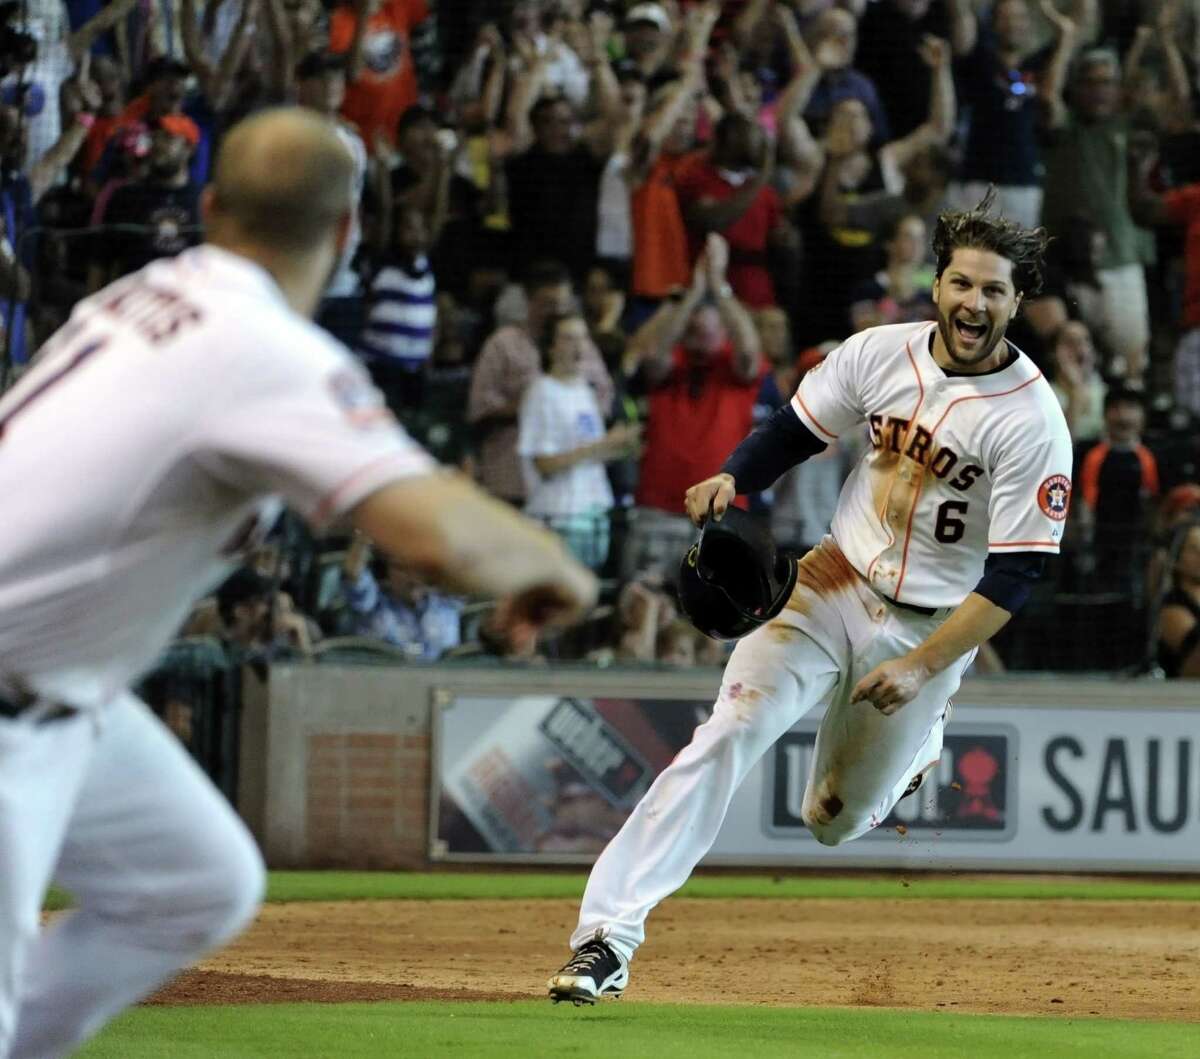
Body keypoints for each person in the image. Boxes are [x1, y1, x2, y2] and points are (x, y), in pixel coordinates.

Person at [0, 106, 597, 1057]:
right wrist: (557, 564)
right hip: (13, 703)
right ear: (348, 231)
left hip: (62, 693)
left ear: (209, 205)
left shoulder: (149, 293)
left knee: (193, 882)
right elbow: (431, 532)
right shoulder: (259, 347)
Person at [547, 192, 1072, 1004]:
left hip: (926, 629)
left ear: (1017, 301)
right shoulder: (879, 352)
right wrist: (734, 475)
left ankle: (917, 746)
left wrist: (924, 667)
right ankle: (605, 939)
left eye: (994, 290)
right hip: (831, 577)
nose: (974, 303)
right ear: (936, 284)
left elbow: (1015, 575)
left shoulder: (1032, 420)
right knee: (729, 731)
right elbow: (796, 427)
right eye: (962, 283)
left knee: (830, 819)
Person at [518, 311, 641, 570]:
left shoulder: (584, 389)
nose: (579, 346)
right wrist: (603, 445)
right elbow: (544, 464)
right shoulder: (542, 392)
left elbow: (588, 455)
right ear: (551, 347)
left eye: (583, 338)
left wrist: (623, 446)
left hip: (592, 514)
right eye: (569, 339)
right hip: (558, 518)